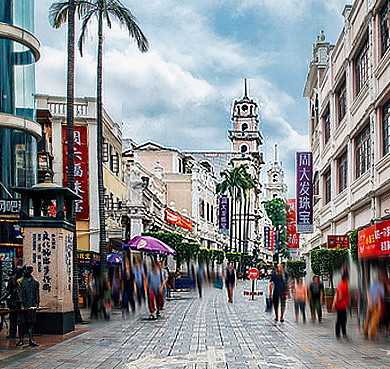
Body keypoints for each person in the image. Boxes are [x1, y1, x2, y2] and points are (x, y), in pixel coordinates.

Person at [16, 265, 39, 347]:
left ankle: (31, 339)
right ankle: (21, 339)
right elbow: (19, 294)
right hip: (23, 305)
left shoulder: (35, 282)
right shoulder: (20, 281)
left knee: (31, 323)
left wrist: (37, 303)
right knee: (21, 323)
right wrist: (21, 304)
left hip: (31, 305)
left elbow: (37, 294)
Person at [1, 267, 23, 339]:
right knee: (12, 318)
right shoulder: (12, 280)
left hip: (21, 303)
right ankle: (12, 333)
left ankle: (21, 333)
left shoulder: (24, 280)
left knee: (20, 319)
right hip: (13, 302)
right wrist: (2, 298)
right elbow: (8, 291)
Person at [363, 270, 386, 340]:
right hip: (376, 304)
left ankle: (365, 333)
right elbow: (381, 295)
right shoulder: (380, 285)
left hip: (370, 303)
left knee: (367, 319)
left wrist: (370, 300)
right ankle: (371, 335)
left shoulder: (372, 284)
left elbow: (367, 291)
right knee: (374, 320)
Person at [332, 271, 350, 341]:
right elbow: (340, 295)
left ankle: (338, 332)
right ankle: (343, 332)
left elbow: (336, 294)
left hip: (339, 304)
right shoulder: (344, 285)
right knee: (343, 319)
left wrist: (334, 303)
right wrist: (337, 302)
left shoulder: (340, 284)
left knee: (339, 319)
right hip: (342, 305)